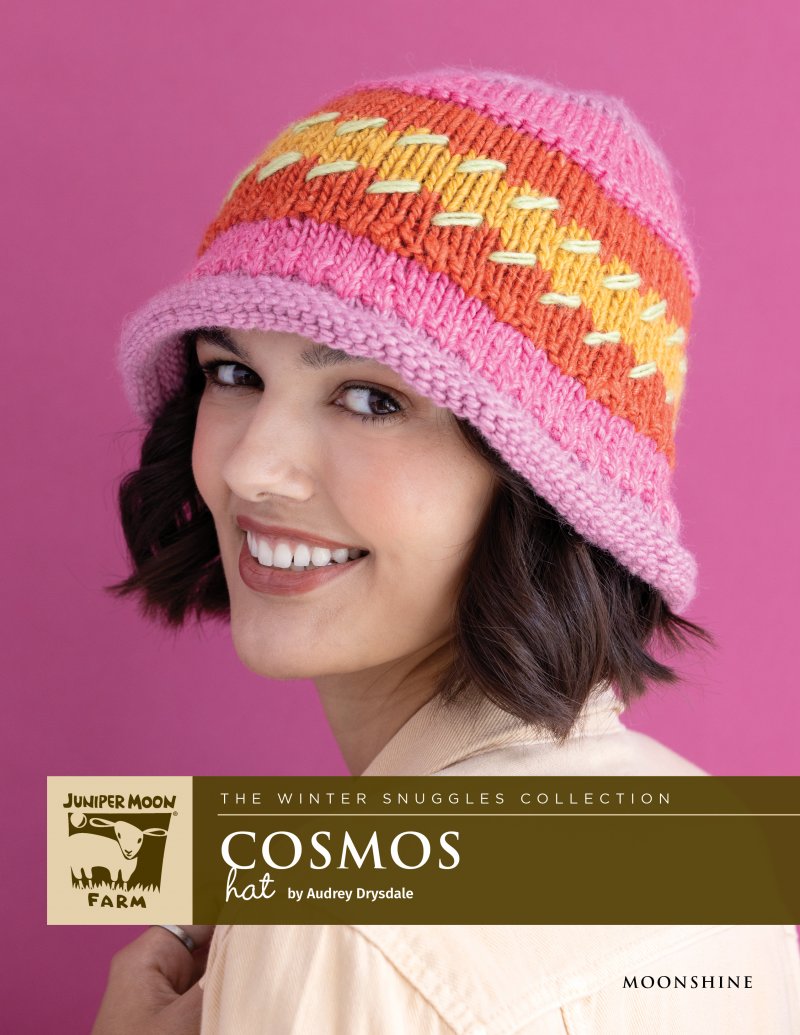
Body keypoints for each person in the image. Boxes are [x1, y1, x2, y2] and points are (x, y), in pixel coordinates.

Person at [93, 67, 800, 1032]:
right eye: (233, 373)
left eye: (371, 398)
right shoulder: (715, 845)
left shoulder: (346, 921)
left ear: (544, 481)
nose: (253, 466)